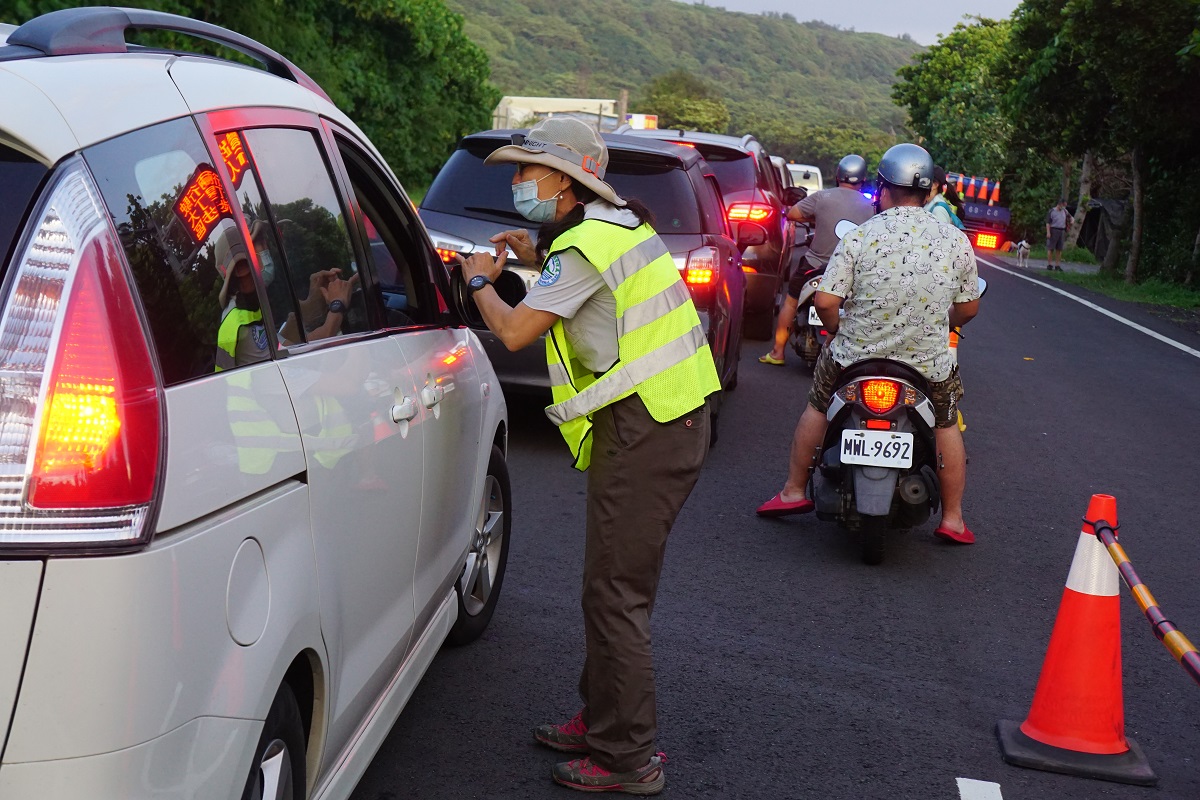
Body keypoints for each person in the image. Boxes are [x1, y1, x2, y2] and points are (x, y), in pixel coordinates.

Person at [458, 117, 720, 795]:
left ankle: (628, 759)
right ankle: (601, 719)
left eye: (526, 171)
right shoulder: (611, 227)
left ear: (566, 180)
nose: (517, 183)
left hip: (647, 427)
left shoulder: (582, 249)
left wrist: (481, 279)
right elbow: (595, 299)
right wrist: (534, 258)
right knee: (609, 588)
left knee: (615, 596)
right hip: (667, 417)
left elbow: (515, 330)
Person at [755, 143, 981, 545]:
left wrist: (840, 330)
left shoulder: (862, 235)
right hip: (926, 363)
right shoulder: (955, 241)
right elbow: (968, 308)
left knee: (819, 403)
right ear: (929, 192)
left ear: (881, 187)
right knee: (946, 420)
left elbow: (825, 302)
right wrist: (943, 321)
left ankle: (792, 490)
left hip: (854, 358)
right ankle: (953, 518)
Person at [759, 154, 874, 366]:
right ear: (862, 179)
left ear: (838, 175)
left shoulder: (823, 197)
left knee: (791, 302)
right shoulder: (871, 207)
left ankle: (777, 352)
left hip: (814, 266)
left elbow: (792, 214)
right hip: (850, 271)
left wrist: (816, 217)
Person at [1046, 198, 1073, 270]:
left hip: (1062, 230)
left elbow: (1071, 217)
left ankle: (1057, 265)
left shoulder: (1065, 211)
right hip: (1053, 229)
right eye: (1064, 205)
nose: (1064, 207)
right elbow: (1048, 223)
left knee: (1059, 249)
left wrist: (1071, 221)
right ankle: (1049, 264)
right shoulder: (1052, 211)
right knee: (1051, 248)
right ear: (1060, 204)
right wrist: (1048, 232)